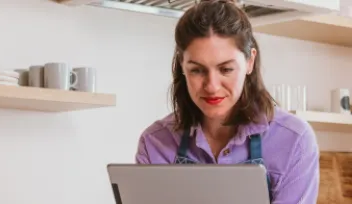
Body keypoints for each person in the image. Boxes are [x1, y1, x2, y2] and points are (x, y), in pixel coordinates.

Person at [134, 0, 320, 203]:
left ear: (250, 62)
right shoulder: (156, 143)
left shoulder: (294, 141)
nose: (212, 86)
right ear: (182, 65)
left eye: (226, 69)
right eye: (197, 70)